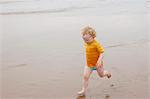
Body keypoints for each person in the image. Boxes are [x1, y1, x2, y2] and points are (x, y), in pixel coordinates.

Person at [78, 26, 111, 96]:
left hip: (98, 64)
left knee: (101, 75)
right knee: (85, 76)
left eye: (87, 40)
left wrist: (99, 60)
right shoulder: (86, 43)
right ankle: (83, 90)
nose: (86, 42)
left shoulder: (96, 44)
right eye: (84, 40)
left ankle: (107, 73)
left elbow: (102, 52)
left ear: (92, 37)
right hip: (89, 65)